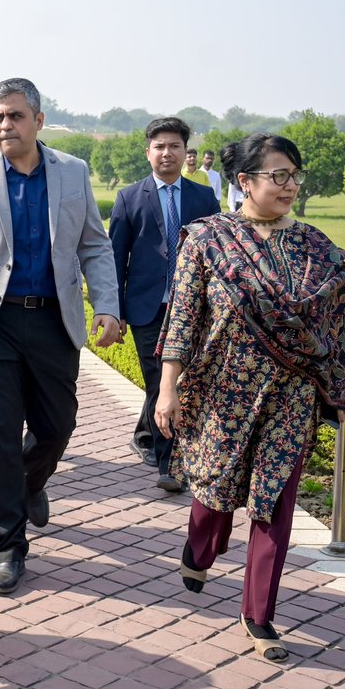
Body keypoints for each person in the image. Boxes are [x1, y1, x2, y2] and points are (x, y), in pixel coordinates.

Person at [156, 133, 345, 663]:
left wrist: (331, 383)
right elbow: (182, 320)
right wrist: (168, 388)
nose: (289, 186)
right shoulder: (206, 239)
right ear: (245, 181)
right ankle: (201, 547)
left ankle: (259, 613)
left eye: (294, 176)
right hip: (224, 394)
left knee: (275, 503)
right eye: (278, 176)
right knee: (214, 495)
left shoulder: (315, 247)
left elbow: (333, 315)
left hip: (291, 396)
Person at [0, 77, 121, 595]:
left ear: (38, 121)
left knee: (57, 424)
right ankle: (6, 547)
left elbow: (94, 245)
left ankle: (31, 481)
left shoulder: (72, 172)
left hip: (52, 322)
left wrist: (106, 304)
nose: (4, 126)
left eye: (14, 116)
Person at [109, 118, 220, 493]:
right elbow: (115, 256)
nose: (167, 153)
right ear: (148, 152)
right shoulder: (129, 197)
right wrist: (116, 310)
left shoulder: (204, 199)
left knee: (184, 381)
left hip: (193, 309)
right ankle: (169, 463)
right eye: (159, 146)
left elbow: (217, 256)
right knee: (160, 380)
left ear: (185, 152)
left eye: (174, 146)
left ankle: (146, 432)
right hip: (147, 307)